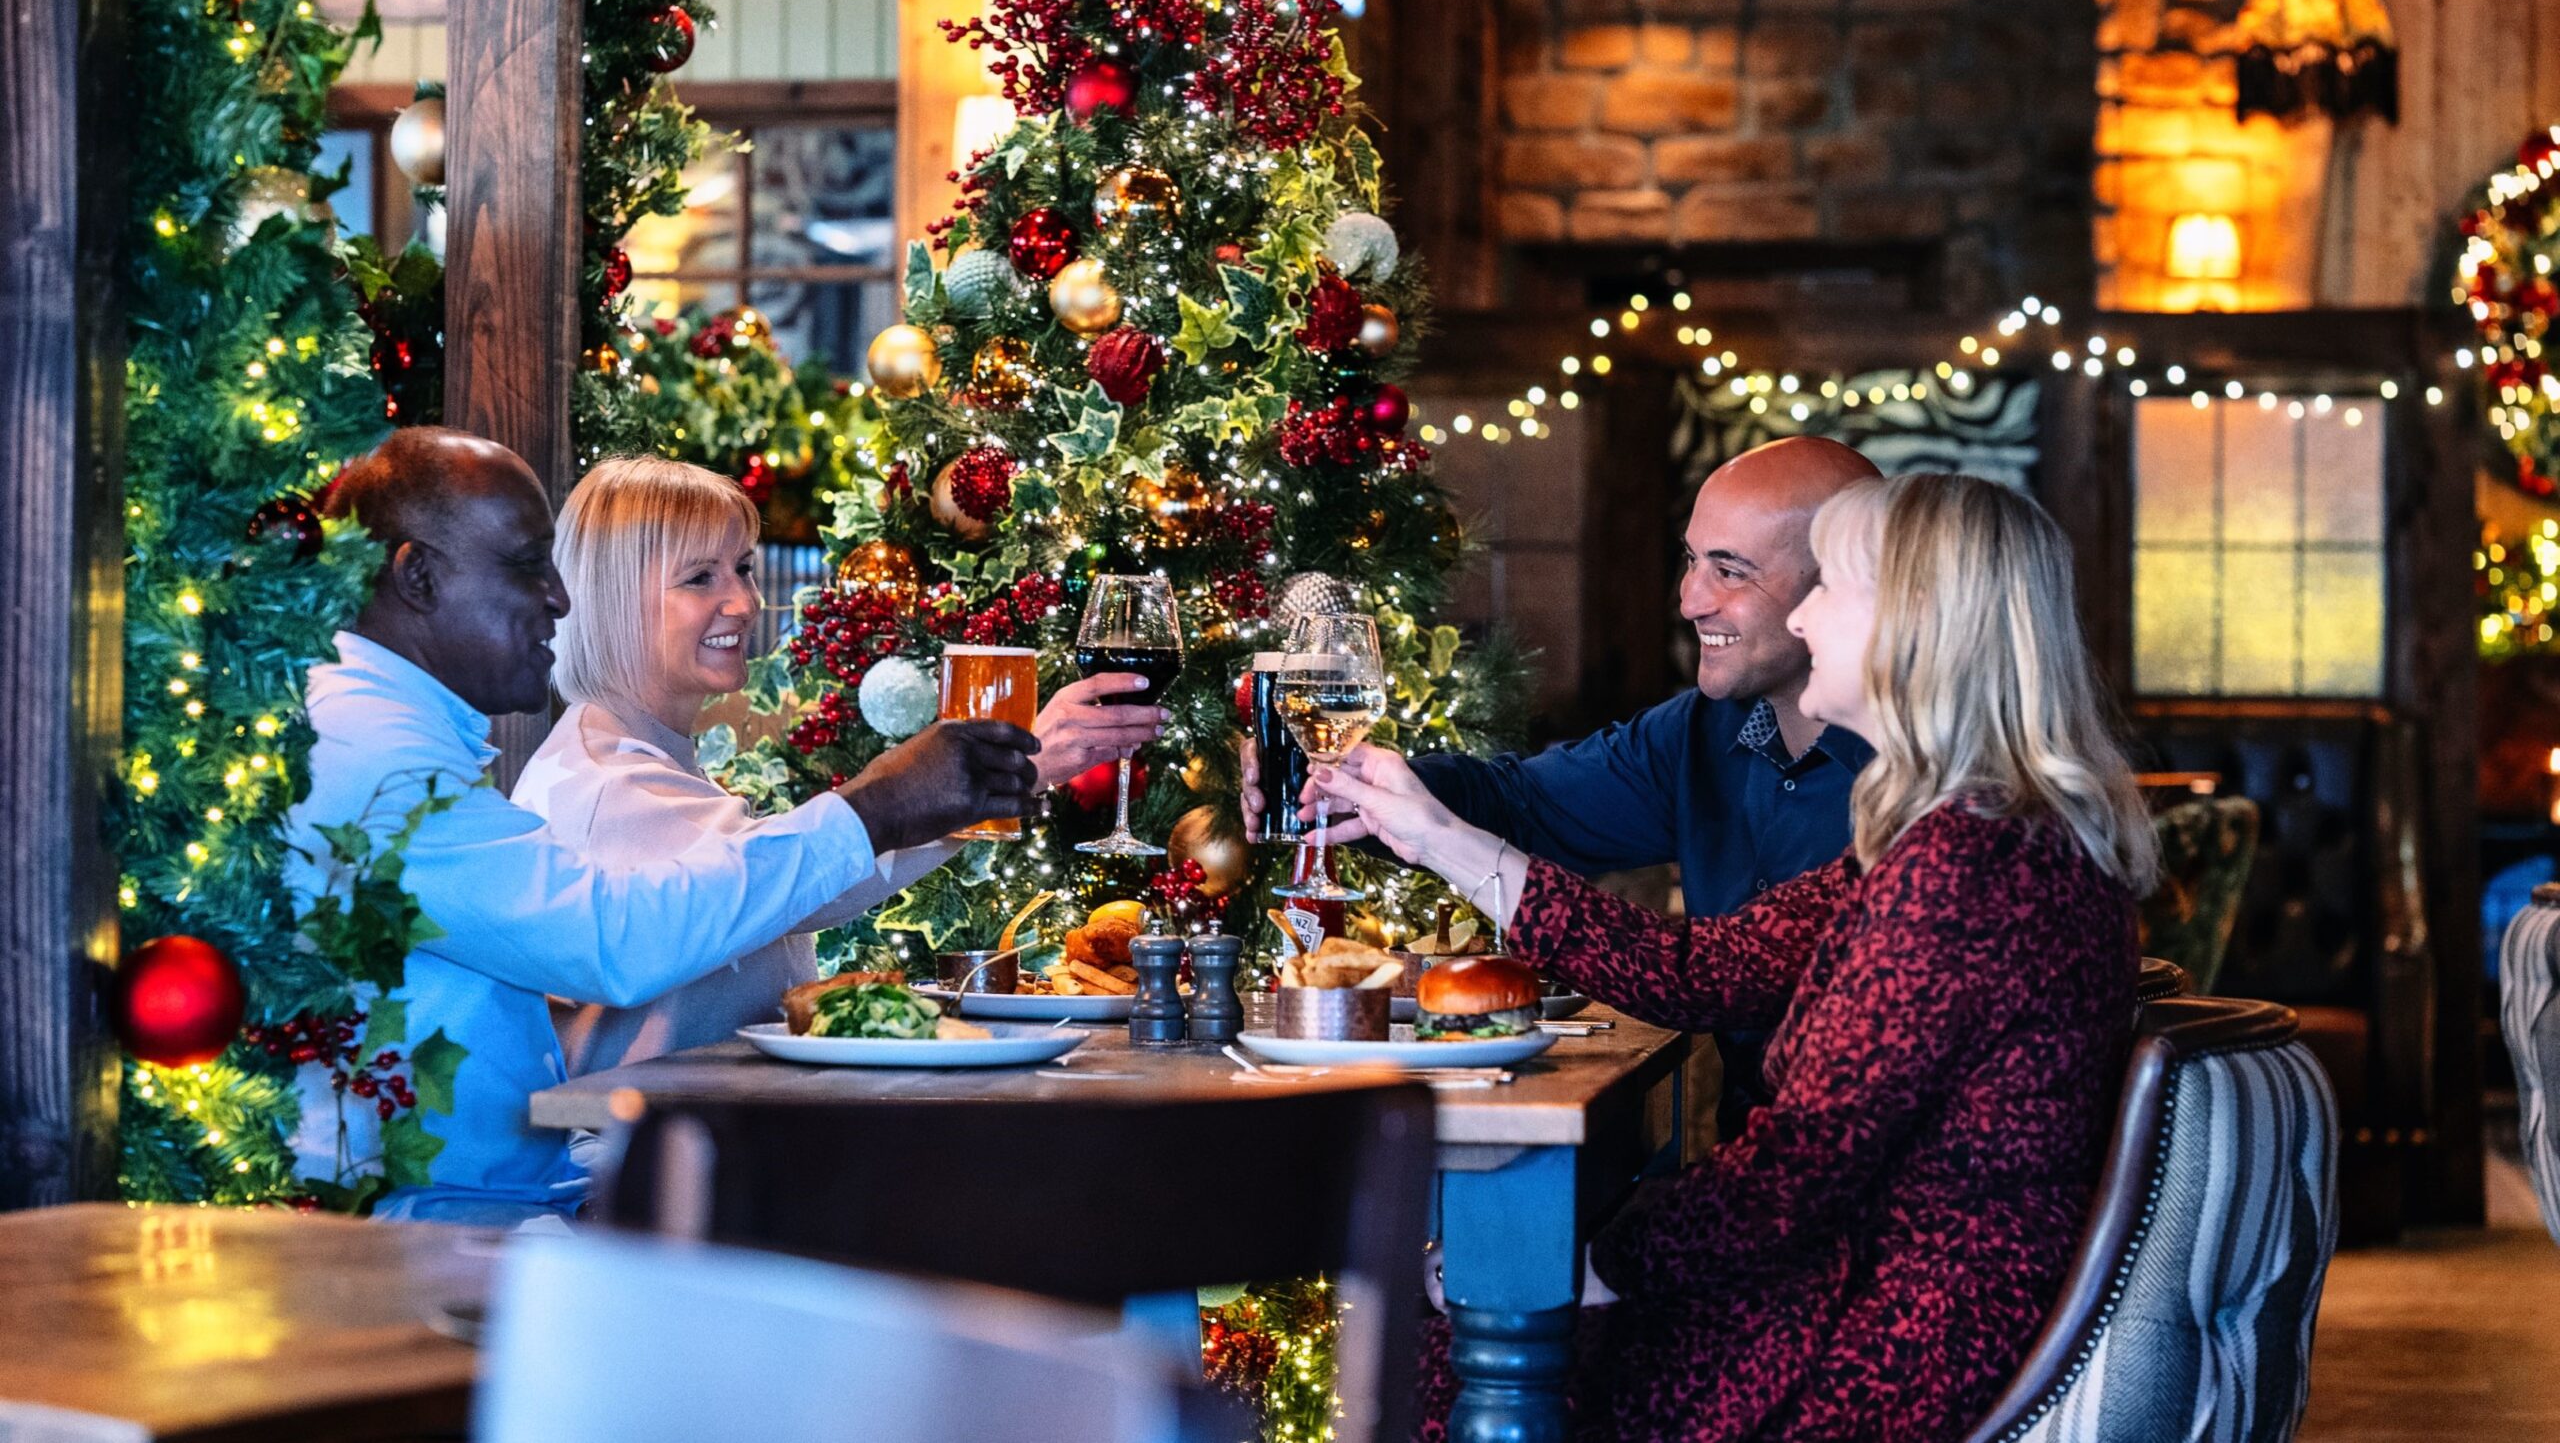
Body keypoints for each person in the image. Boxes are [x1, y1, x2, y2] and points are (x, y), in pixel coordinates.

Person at [1308, 472, 2155, 1442]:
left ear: (1913, 626)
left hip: (1888, 1338)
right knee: (1461, 1317)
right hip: (1874, 1290)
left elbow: (1792, 1177)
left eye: (1831, 588)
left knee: (1457, 1345)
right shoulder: (1966, 836)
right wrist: (1430, 833)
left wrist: (1593, 1261)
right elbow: (1697, 970)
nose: (1806, 623)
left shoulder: (1964, 872)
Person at [285, 428, 1039, 1225]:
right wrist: (876, 806)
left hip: (512, 1197)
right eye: (524, 564)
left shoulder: (386, 729)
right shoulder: (375, 755)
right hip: (434, 1226)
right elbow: (611, 939)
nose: (559, 597)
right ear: (420, 577)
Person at [514, 456, 1163, 1075]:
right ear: (610, 599)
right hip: (639, 1167)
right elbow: (787, 885)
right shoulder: (603, 783)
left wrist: (989, 783)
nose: (743, 602)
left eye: (741, 568)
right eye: (699, 577)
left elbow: (793, 878)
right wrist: (991, 775)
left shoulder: (645, 756)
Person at [1248, 434, 1883, 919]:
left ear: (1842, 584)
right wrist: (1359, 786)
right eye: (1691, 561)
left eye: (1731, 571)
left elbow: (1701, 974)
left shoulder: (1939, 771)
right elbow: (1521, 805)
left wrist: (1431, 832)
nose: (1690, 602)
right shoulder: (1697, 733)